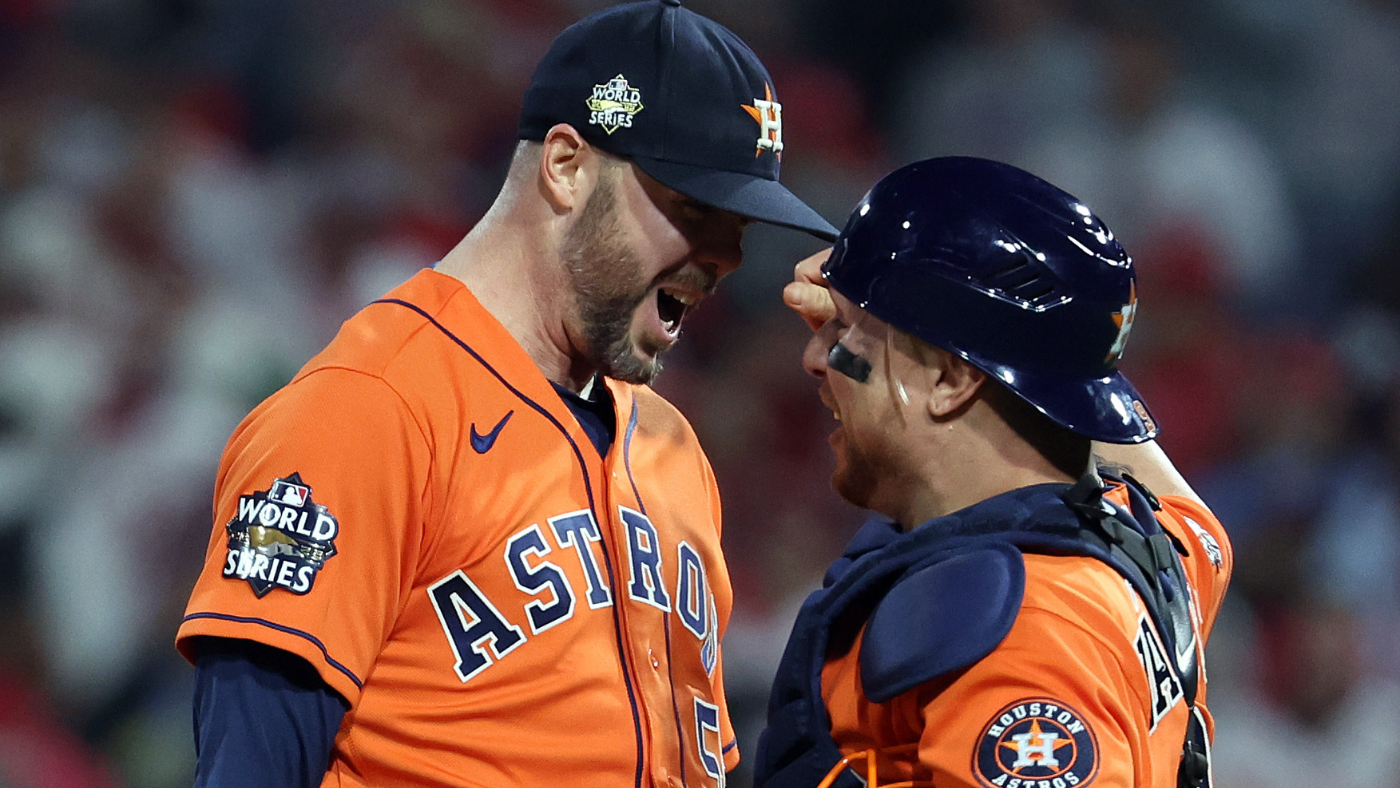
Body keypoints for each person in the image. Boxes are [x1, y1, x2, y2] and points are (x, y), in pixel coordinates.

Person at [174, 2, 838, 786]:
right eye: (694, 210)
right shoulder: (365, 413)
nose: (726, 257)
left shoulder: (672, 451)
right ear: (565, 165)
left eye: (740, 225)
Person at [753, 157, 1232, 788]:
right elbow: (1204, 531)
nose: (817, 357)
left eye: (842, 333)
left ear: (952, 379)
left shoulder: (1019, 628)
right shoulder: (1150, 542)